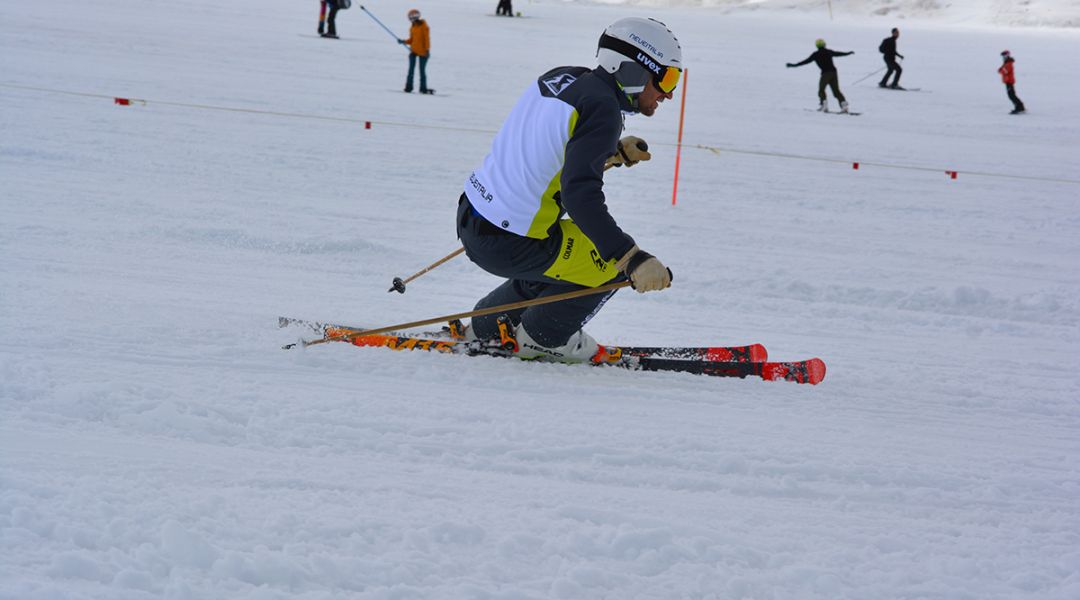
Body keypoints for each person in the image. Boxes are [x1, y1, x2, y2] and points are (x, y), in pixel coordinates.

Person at [455, 17, 681, 363]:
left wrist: (608, 153)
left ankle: (488, 326)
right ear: (634, 70)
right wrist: (631, 258)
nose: (668, 93)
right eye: (666, 78)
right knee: (606, 264)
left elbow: (544, 146)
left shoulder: (565, 77)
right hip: (510, 242)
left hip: (474, 217)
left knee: (567, 259)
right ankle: (544, 338)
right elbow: (579, 196)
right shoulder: (602, 108)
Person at [786, 38, 854, 113]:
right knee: (836, 91)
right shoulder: (828, 51)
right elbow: (838, 54)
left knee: (821, 90)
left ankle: (824, 106)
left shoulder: (815, 54)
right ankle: (844, 106)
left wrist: (794, 65)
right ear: (824, 44)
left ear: (817, 46)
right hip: (834, 73)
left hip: (826, 74)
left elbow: (805, 61)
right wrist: (848, 53)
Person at [397, 9, 432, 94]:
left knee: (422, 71)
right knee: (411, 70)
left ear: (415, 17)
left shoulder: (424, 26)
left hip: (423, 52)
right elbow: (412, 40)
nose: (410, 19)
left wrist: (427, 50)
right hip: (413, 52)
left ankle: (423, 88)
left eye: (411, 17)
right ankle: (408, 87)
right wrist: (403, 41)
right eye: (409, 17)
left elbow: (427, 39)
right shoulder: (412, 27)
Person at [998, 50, 1026, 114]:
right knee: (1011, 95)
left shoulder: (1008, 63)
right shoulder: (1007, 63)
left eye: (1004, 56)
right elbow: (1003, 70)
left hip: (1009, 81)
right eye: (1002, 56)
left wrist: (1001, 70)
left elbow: (1005, 71)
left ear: (1007, 55)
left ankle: (1019, 107)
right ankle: (1020, 107)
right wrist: (1001, 69)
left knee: (1011, 95)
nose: (1003, 57)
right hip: (1008, 81)